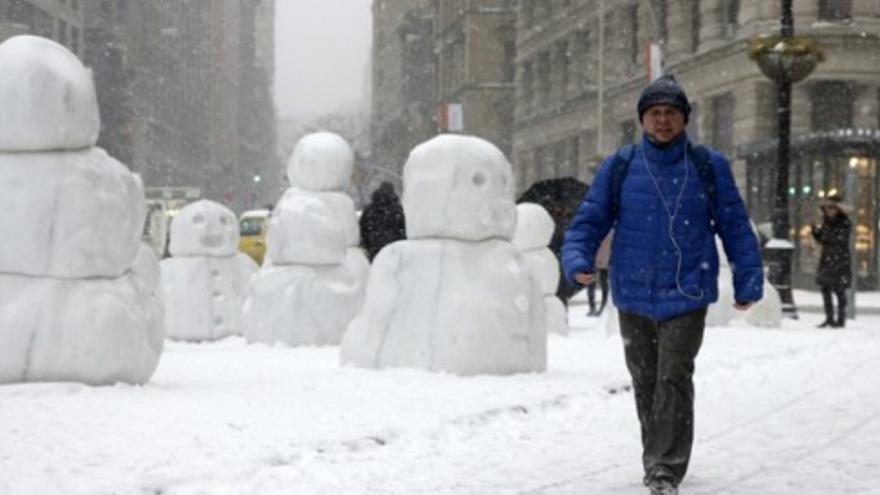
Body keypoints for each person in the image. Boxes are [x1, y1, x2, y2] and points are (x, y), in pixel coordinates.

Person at [562, 75, 764, 495]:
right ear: (643, 120)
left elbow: (735, 225)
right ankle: (656, 455)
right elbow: (590, 219)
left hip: (687, 290)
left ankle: (665, 467)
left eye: (672, 113)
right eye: (655, 113)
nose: (663, 120)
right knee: (645, 380)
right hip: (633, 291)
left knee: (673, 377)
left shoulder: (708, 165)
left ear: (685, 119)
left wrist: (748, 279)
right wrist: (577, 258)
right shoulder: (620, 165)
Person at [811, 194, 852, 328]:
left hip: (839, 259)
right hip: (827, 258)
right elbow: (822, 239)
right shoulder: (826, 221)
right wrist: (815, 232)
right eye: (828, 208)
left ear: (837, 209)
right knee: (825, 289)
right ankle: (829, 318)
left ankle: (840, 320)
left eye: (832, 208)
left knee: (839, 290)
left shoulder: (844, 222)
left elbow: (839, 239)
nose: (829, 211)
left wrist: (825, 237)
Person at [359, 181, 406, 261]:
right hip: (393, 249)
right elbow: (404, 230)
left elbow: (363, 229)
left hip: (374, 248)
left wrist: (367, 244)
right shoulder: (398, 210)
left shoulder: (370, 209)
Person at [586, 232, 612, 316]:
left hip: (602, 259)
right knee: (594, 283)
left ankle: (599, 307)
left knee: (601, 283)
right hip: (599, 259)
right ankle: (595, 307)